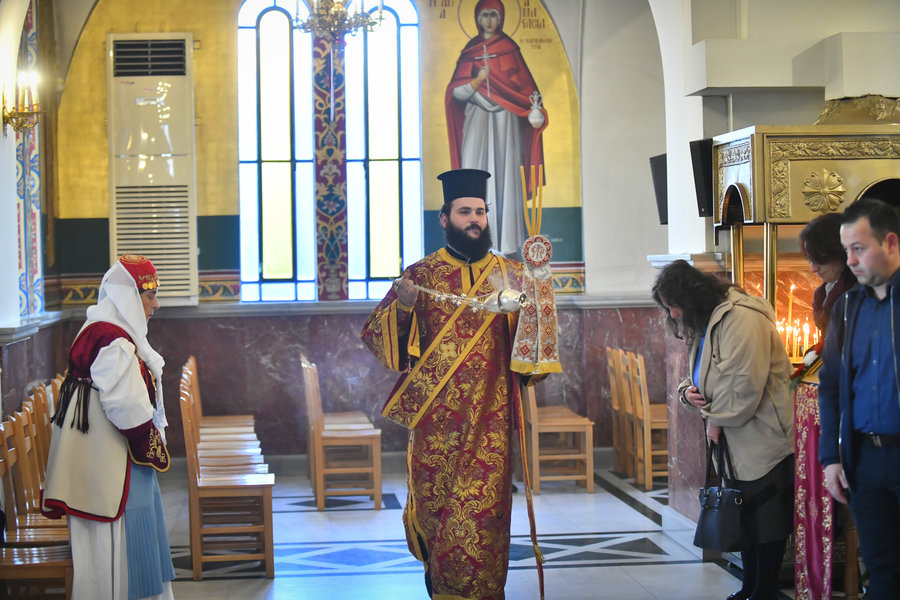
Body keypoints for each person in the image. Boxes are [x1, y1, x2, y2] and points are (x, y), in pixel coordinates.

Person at [361, 168, 534, 599]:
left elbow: (533, 351)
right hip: (436, 428)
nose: (474, 219)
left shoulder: (512, 275)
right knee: (436, 514)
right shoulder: (420, 275)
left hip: (491, 424)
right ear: (445, 218)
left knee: (486, 518)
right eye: (464, 212)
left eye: (480, 212)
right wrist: (403, 308)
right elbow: (381, 341)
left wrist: (537, 304)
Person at [652, 260, 794, 600]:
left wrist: (715, 419)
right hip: (734, 437)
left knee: (766, 520)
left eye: (673, 306)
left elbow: (743, 385)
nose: (673, 315)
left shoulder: (742, 318)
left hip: (762, 437)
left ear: (690, 297)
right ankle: (749, 587)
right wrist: (687, 393)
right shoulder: (707, 319)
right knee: (743, 515)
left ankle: (764, 591)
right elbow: (702, 374)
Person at [42, 255, 175, 600]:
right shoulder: (113, 340)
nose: (155, 305)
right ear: (128, 297)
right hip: (107, 463)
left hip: (97, 455)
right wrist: (153, 444)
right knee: (112, 550)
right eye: (150, 296)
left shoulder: (101, 328)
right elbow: (127, 409)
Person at [818, 198, 900, 599]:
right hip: (865, 460)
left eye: (858, 248)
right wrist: (830, 458)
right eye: (846, 250)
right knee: (881, 570)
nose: (849, 260)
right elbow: (831, 384)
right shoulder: (848, 308)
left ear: (891, 243)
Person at [445, 0, 547, 257]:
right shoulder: (470, 52)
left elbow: (529, 94)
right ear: (477, 18)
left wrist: (533, 112)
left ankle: (507, 245)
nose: (489, 20)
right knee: (473, 176)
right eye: (484, 15)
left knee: (505, 177)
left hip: (505, 123)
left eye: (493, 15)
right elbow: (455, 93)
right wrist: (477, 80)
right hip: (476, 120)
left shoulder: (510, 50)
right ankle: (472, 246)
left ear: (500, 18)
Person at [799, 212, 858, 334]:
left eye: (819, 260)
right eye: (810, 260)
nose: (813, 269)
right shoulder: (824, 294)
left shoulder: (858, 297)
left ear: (841, 254)